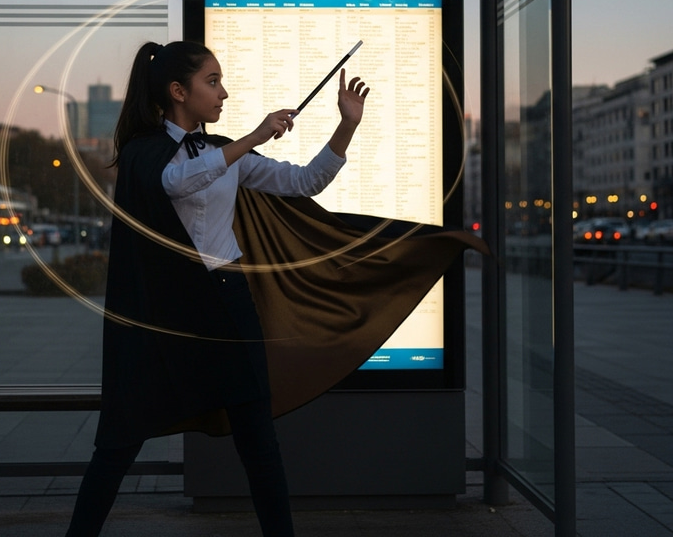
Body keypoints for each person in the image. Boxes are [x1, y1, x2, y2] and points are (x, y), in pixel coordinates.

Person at [66, 40, 485, 536]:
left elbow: (305, 182)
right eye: (212, 82)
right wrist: (252, 136)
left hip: (227, 306)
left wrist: (346, 125)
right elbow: (177, 182)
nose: (223, 92)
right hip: (166, 315)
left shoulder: (222, 152)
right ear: (178, 92)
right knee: (120, 439)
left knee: (257, 438)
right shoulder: (145, 153)